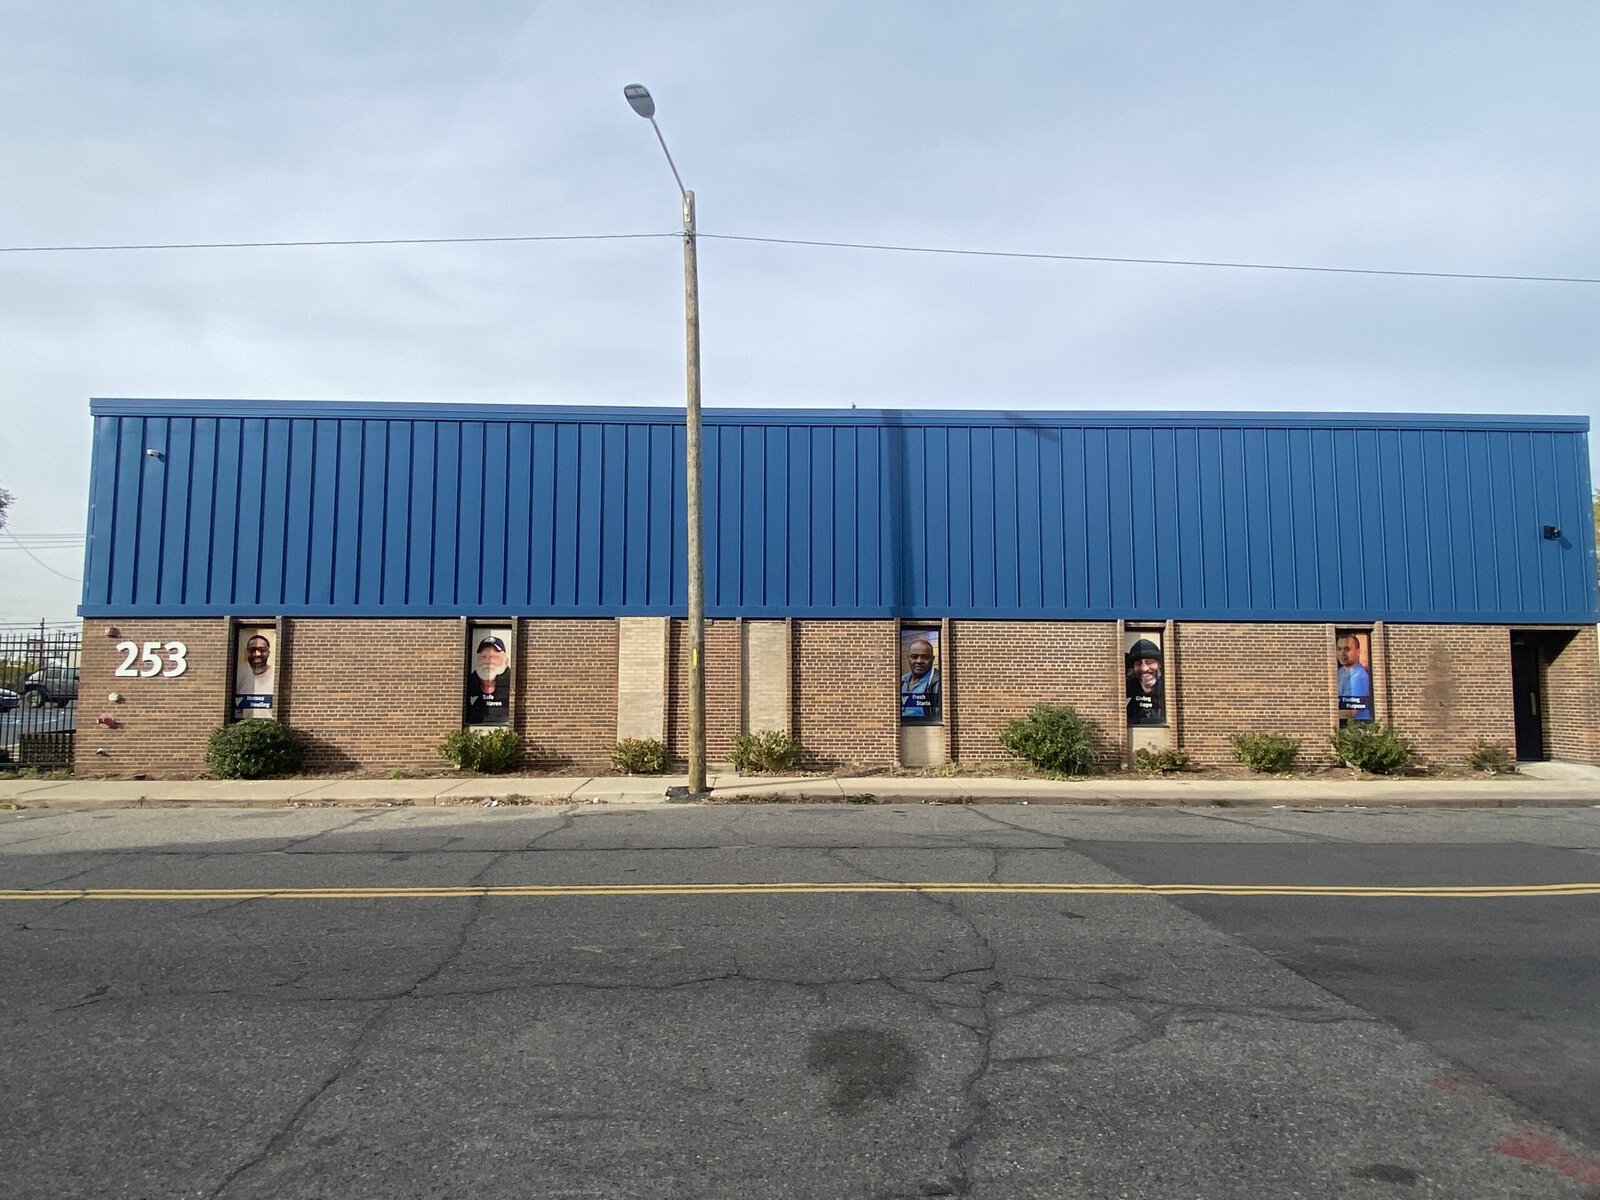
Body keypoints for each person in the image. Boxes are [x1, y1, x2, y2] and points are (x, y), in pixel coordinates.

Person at [464, 634, 512, 726]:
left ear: (505, 662)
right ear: (476, 660)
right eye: (483, 657)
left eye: (494, 657)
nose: (488, 661)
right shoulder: (469, 684)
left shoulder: (512, 684)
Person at [1125, 638, 1165, 726]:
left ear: (1160, 665)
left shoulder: (1166, 691)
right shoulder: (1127, 692)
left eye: (1149, 662)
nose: (1144, 669)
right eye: (1138, 664)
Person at [900, 637, 941, 720]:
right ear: (908, 658)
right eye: (914, 657)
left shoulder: (939, 682)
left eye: (925, 657)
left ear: (932, 659)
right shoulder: (901, 680)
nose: (919, 661)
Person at [234, 632, 273, 717]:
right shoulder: (241, 678)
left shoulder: (275, 677)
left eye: (262, 650)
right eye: (252, 650)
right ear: (247, 653)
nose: (257, 654)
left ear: (268, 653)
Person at [1337, 632, 1373, 721]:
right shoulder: (1339, 672)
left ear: (1358, 652)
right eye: (1339, 649)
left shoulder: (1359, 676)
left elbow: (1351, 711)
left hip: (1359, 726)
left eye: (1347, 649)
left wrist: (1322, 715)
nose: (1342, 653)